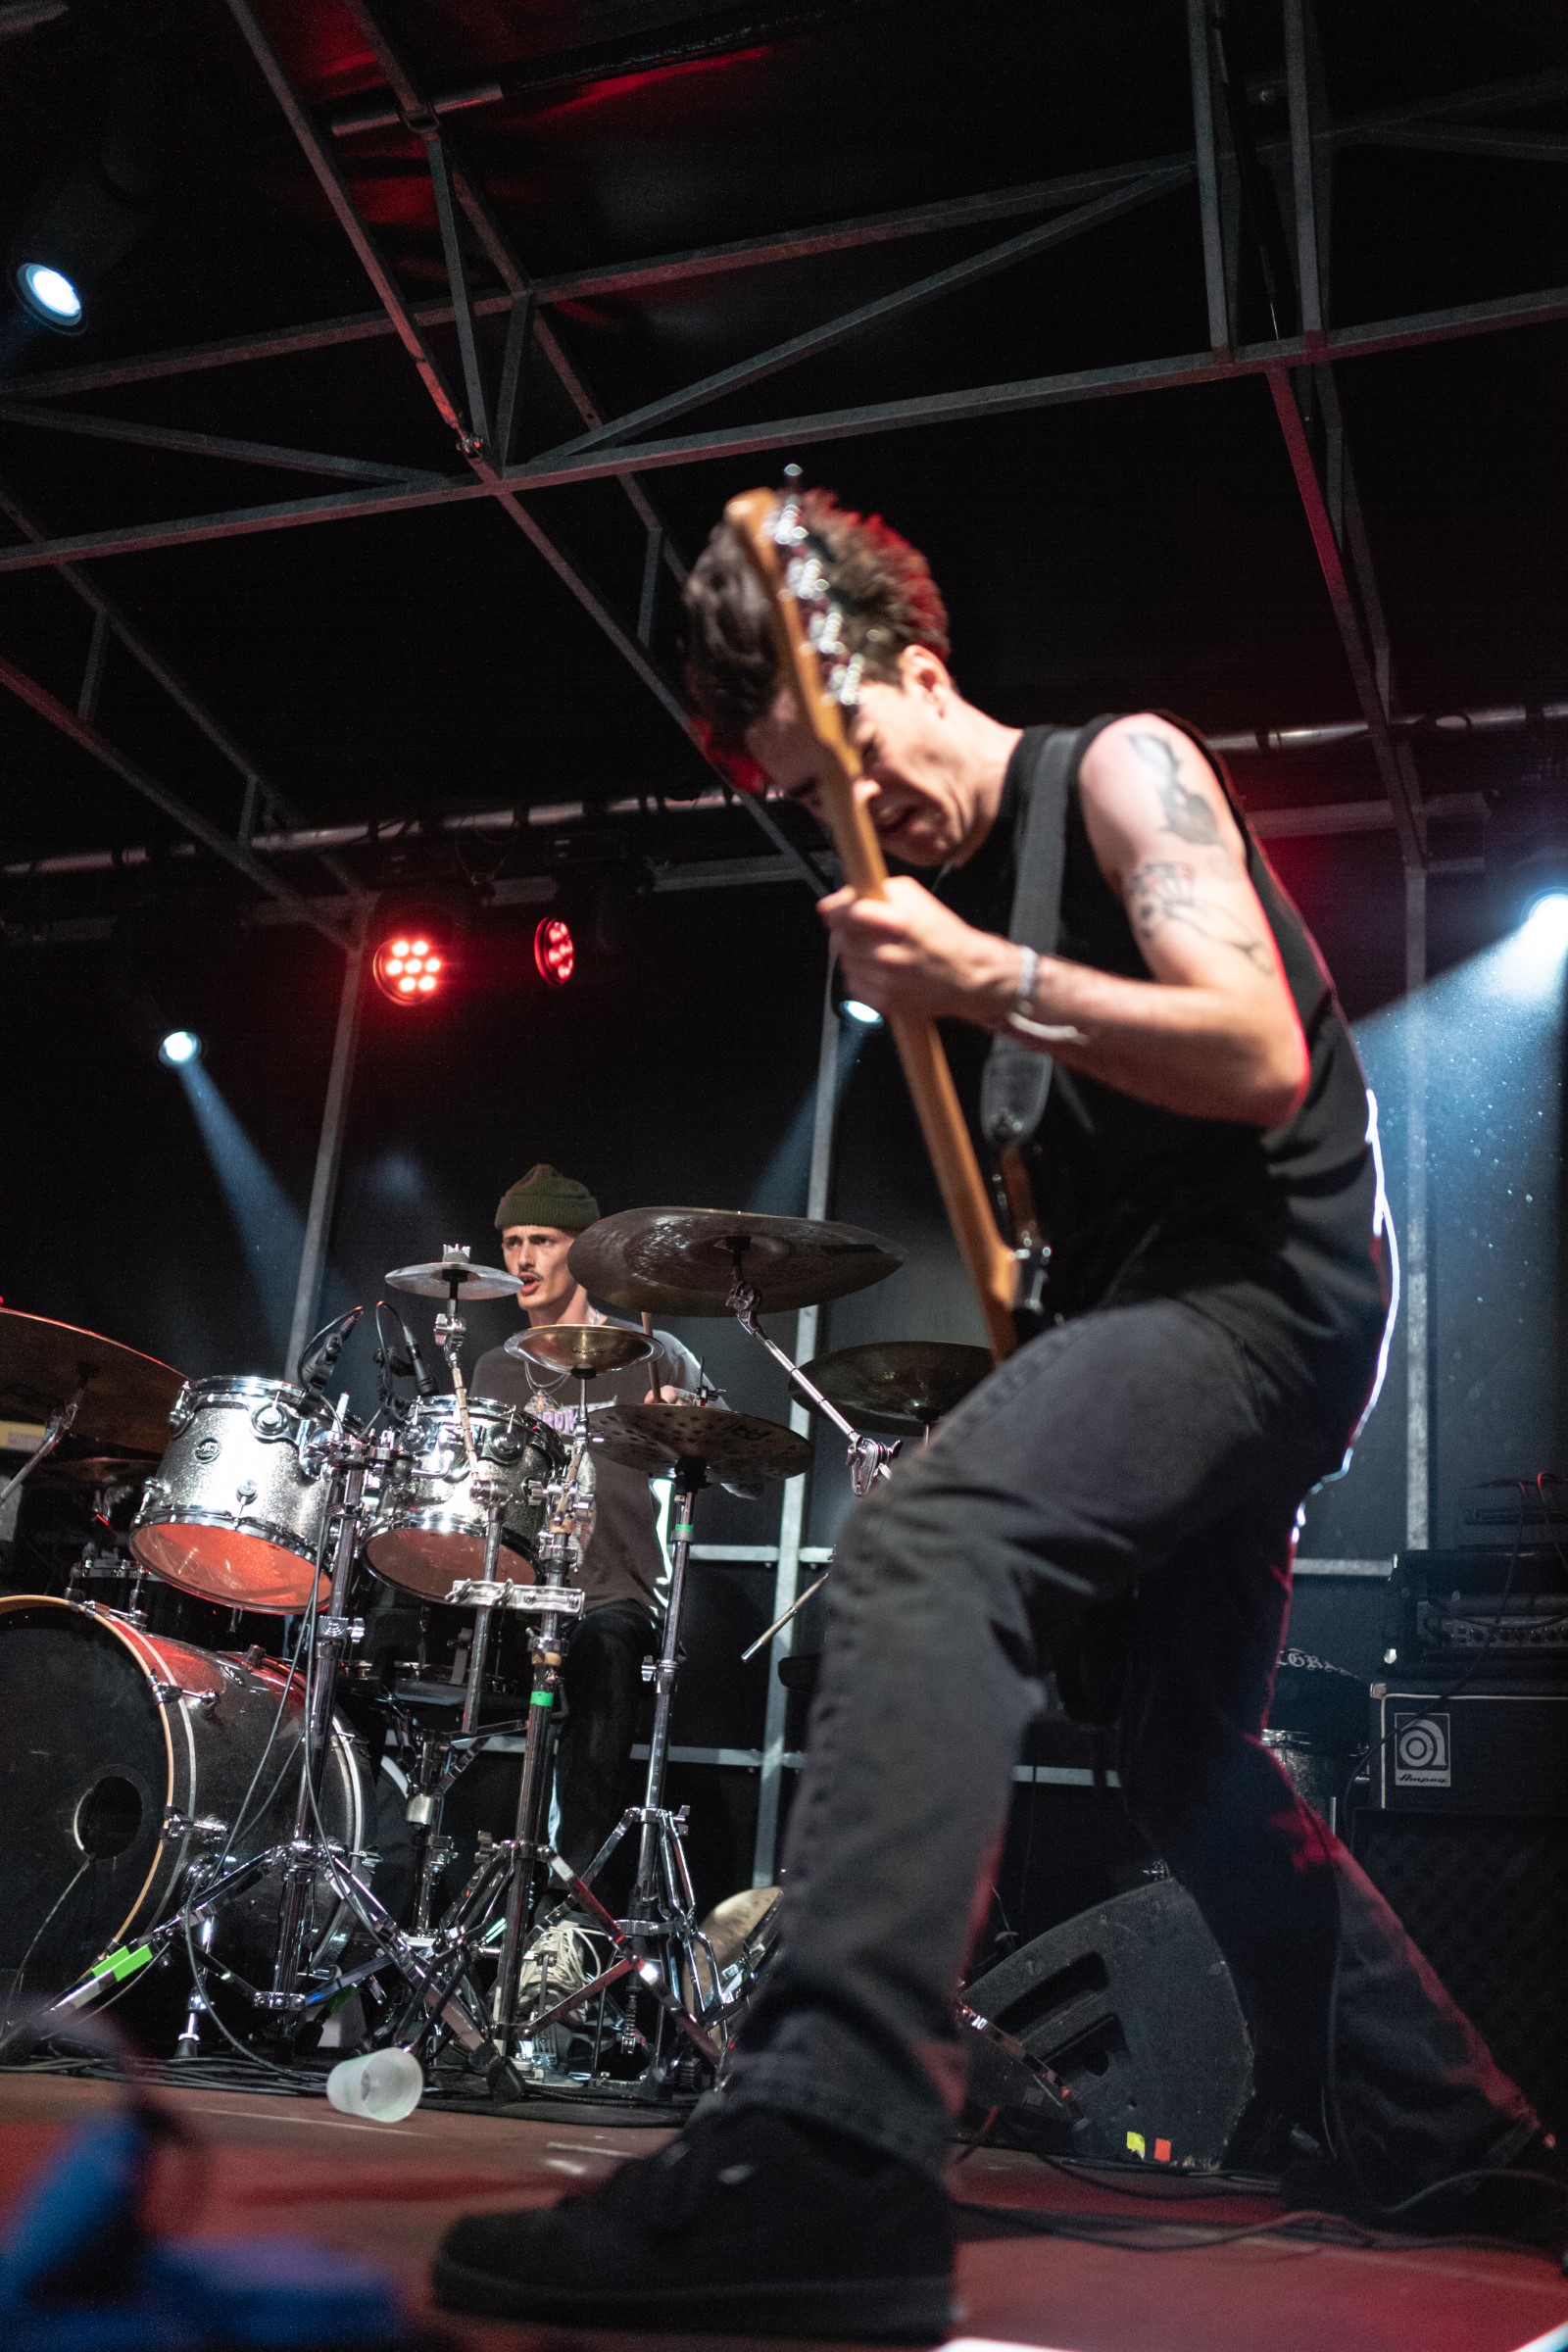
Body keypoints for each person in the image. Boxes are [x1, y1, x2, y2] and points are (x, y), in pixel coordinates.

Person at [436, 496, 1561, 2334]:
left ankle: (830, 2148)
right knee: (1179, 1749)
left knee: (922, 1543)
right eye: (807, 801)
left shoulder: (1117, 769)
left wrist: (976, 979)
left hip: (1266, 1283)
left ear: (911, 668)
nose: (850, 819)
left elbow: (1257, 1048)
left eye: (848, 765)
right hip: (1169, 1307)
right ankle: (1446, 2129)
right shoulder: (963, 915)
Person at [470, 1163, 700, 1885]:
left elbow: (736, 1464)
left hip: (611, 1594)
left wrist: (685, 1428)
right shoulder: (493, 1369)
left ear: (585, 1250)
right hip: (515, 1590)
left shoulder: (654, 1356)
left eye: (542, 1240)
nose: (523, 1258)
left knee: (604, 1653)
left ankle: (575, 1909)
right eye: (512, 1242)